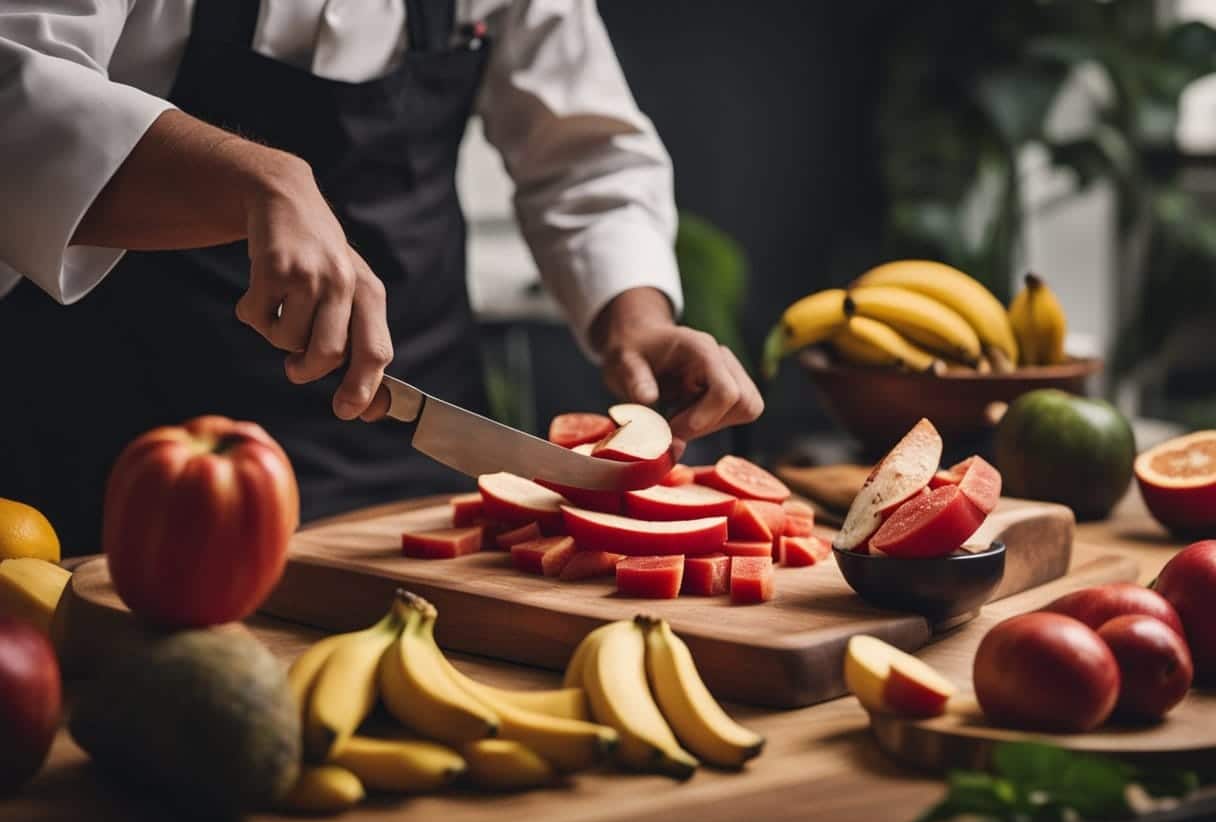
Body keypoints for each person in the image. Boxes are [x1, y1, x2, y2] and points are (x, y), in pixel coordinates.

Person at [0, 0, 763, 556]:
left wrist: (635, 319)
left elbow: (583, 151)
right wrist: (257, 178)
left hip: (415, 467)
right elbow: (14, 76)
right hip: (121, 463)